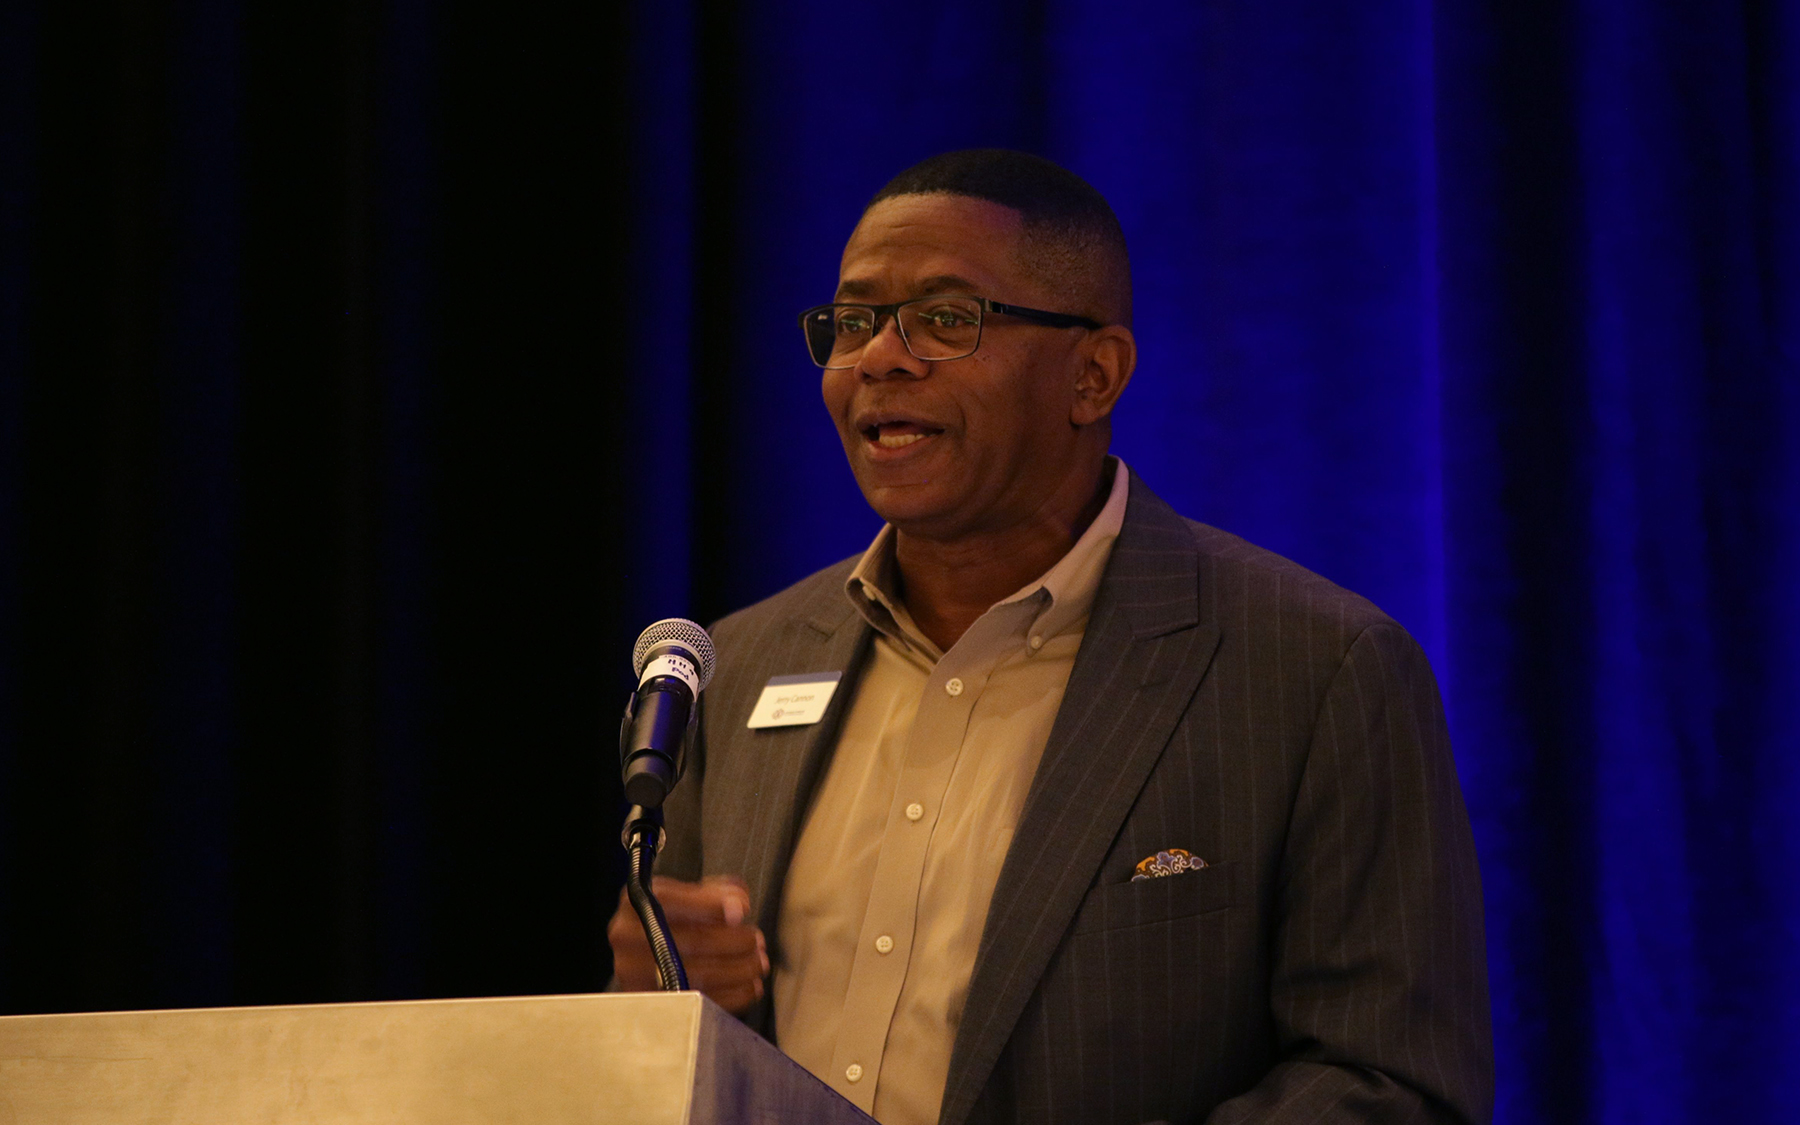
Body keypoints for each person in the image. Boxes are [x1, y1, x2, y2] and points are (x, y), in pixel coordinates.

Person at [608, 149, 1493, 1125]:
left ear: (1094, 374)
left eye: (946, 319)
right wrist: (653, 1009)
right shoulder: (746, 664)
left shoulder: (1317, 671)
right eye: (853, 321)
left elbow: (1389, 1087)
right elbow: (665, 1058)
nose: (879, 358)